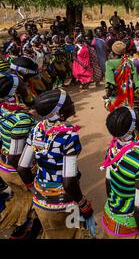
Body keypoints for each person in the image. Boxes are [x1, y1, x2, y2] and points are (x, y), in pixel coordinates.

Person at [17, 90, 95, 239]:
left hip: (40, 201)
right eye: (69, 103)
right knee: (74, 234)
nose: (73, 104)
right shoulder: (69, 137)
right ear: (59, 113)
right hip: (64, 203)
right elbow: (68, 181)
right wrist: (84, 205)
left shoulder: (37, 129)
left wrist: (36, 192)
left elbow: (22, 167)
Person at [100, 107, 139, 239]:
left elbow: (108, 183)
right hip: (127, 227)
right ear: (135, 127)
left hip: (109, 214)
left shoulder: (113, 148)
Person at [0, 71, 41, 239]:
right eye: (23, 85)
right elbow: (15, 156)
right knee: (34, 204)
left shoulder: (3, 109)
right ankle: (26, 230)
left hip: (4, 168)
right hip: (18, 171)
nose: (26, 87)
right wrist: (30, 183)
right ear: (16, 92)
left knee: (22, 201)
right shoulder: (20, 119)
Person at [104, 41, 139, 112]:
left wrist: (107, 96)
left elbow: (110, 84)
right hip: (129, 97)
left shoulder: (109, 63)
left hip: (116, 97)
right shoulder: (129, 62)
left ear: (112, 52)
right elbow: (137, 81)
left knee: (117, 117)